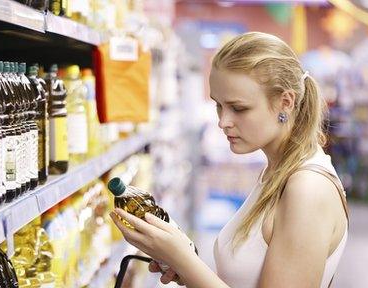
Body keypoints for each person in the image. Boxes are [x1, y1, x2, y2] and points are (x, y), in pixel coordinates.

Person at [109, 32, 349, 288]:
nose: (223, 122)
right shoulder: (278, 171)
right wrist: (183, 264)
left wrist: (182, 259)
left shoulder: (307, 189)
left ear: (285, 102)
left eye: (239, 108)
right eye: (218, 106)